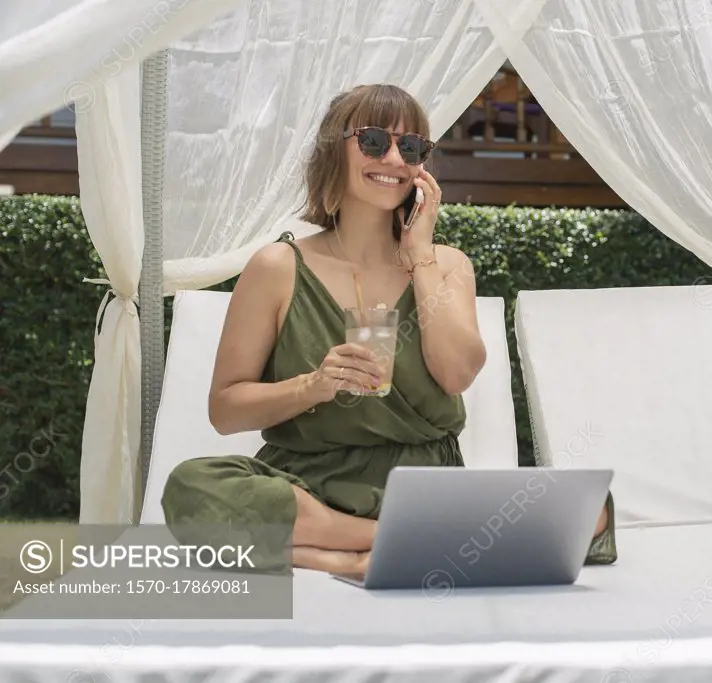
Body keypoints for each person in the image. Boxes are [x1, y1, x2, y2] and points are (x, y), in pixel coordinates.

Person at [161, 84, 616, 578]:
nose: (395, 158)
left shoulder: (447, 265)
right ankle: (381, 542)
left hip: (424, 488)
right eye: (375, 141)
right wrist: (313, 386)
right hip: (306, 484)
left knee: (593, 506)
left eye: (413, 147)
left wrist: (419, 255)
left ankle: (320, 549)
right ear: (335, 149)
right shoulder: (277, 267)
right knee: (192, 486)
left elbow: (458, 373)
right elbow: (225, 411)